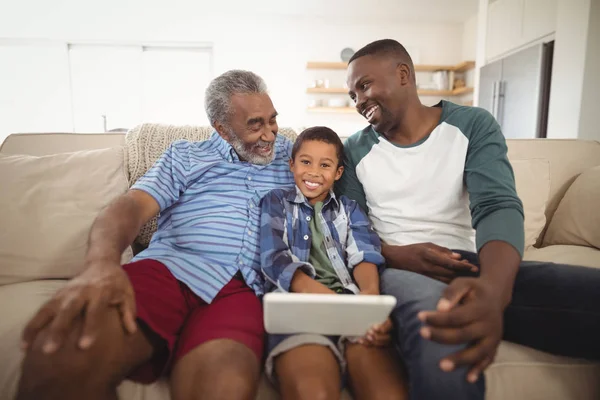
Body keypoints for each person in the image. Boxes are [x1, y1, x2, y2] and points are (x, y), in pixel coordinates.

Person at [337, 39, 600, 400]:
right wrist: (398, 255)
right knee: (441, 323)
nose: (359, 101)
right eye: (353, 95)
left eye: (364, 85)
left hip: (470, 265)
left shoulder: (472, 125)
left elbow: (496, 206)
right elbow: (351, 231)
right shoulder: (353, 150)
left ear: (403, 75)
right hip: (395, 270)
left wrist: (493, 289)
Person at [17, 70, 295, 400]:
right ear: (221, 129)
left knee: (225, 387)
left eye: (273, 120)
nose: (270, 134)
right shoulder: (186, 156)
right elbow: (131, 207)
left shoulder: (296, 158)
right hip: (169, 270)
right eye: (255, 124)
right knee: (62, 354)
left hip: (243, 286)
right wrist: (100, 264)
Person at [259, 126, 408, 400]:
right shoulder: (276, 202)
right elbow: (274, 258)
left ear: (338, 173)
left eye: (325, 165)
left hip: (351, 304)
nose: (314, 172)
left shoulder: (349, 209)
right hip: (297, 310)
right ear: (292, 165)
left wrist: (369, 304)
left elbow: (365, 253)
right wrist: (334, 304)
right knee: (313, 392)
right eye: (305, 162)